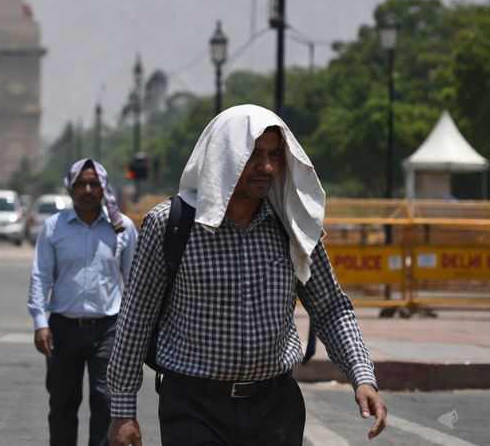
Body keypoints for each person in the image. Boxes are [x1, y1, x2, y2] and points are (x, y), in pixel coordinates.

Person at [106, 105, 388, 446]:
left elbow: (330, 307)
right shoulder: (170, 224)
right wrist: (123, 410)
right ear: (223, 157)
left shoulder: (292, 225)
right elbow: (137, 317)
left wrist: (362, 376)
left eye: (274, 155)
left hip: (275, 409)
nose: (266, 167)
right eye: (253, 154)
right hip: (193, 407)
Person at [29, 159, 139, 446]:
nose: (87, 190)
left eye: (93, 184)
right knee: (62, 403)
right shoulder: (54, 228)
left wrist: (135, 330)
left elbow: (135, 282)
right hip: (63, 328)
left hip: (108, 329)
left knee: (106, 402)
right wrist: (40, 322)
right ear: (71, 188)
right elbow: (41, 276)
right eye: (81, 184)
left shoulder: (122, 227)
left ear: (104, 188)